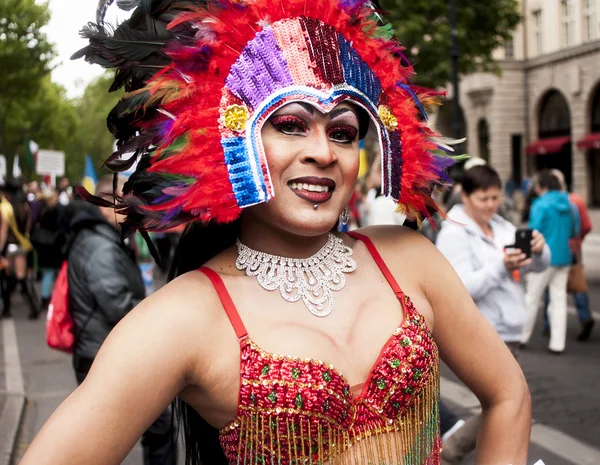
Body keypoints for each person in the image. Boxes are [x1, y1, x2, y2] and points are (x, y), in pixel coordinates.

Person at [20, 1, 531, 464]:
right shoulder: (184, 317)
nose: (324, 153)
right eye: (290, 125)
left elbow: (509, 395)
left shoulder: (409, 259)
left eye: (343, 133)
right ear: (230, 138)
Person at [436, 165, 550, 463]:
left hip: (510, 327)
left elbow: (538, 266)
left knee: (505, 403)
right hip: (484, 331)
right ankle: (455, 447)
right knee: (511, 402)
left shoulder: (502, 226)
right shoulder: (453, 233)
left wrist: (539, 250)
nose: (490, 205)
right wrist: (502, 266)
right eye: (484, 198)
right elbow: (459, 289)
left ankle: (461, 449)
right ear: (467, 196)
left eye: (495, 198)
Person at [66, 175, 176, 465]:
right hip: (106, 354)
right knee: (153, 428)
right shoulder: (100, 246)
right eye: (125, 205)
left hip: (102, 350)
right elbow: (117, 303)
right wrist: (157, 320)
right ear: (105, 204)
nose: (132, 211)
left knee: (105, 437)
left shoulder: (100, 239)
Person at [521, 170, 580, 354]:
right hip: (564, 256)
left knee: (531, 298)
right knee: (559, 299)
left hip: (543, 257)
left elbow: (533, 232)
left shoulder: (540, 204)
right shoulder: (571, 204)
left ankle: (522, 335)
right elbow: (575, 231)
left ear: (543, 186)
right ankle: (557, 343)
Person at [541, 169, 595, 341]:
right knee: (577, 283)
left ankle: (549, 324)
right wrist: (577, 240)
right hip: (571, 248)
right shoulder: (575, 201)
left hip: (552, 251)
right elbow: (585, 226)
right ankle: (585, 315)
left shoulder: (546, 202)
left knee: (551, 288)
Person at [0, 180, 40, 319]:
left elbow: (4, 231)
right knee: (22, 277)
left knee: (8, 278)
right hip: (22, 245)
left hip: (9, 247)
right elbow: (28, 227)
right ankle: (34, 306)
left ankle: (6, 309)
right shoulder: (25, 206)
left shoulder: (6, 208)